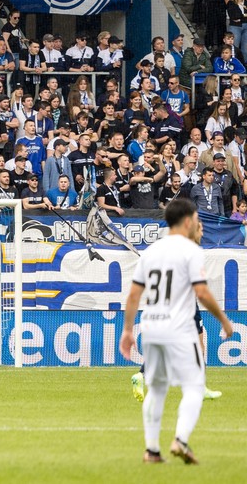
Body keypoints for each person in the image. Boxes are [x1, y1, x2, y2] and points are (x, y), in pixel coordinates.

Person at [120, 197, 232, 464]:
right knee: (195, 386)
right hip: (180, 329)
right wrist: (224, 321)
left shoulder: (151, 251)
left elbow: (135, 294)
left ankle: (152, 450)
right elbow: (201, 291)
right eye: (196, 219)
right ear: (187, 221)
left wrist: (127, 331)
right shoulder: (190, 250)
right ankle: (180, 440)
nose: (198, 223)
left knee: (157, 389)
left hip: (152, 327)